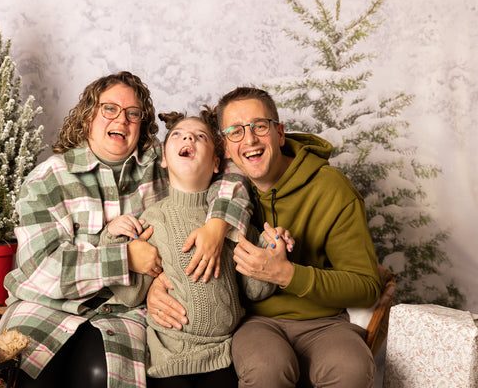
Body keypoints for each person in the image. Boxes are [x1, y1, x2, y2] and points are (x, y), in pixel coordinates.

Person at [0, 71, 252, 388]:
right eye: (110, 109)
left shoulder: (158, 163)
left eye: (133, 113)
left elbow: (232, 171)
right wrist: (125, 259)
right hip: (47, 305)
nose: (123, 119)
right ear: (89, 116)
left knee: (102, 375)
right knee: (27, 371)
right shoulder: (48, 179)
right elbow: (41, 268)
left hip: (124, 309)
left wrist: (216, 225)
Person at [147, 87, 382, 388]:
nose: (250, 140)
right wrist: (158, 282)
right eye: (235, 132)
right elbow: (176, 237)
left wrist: (287, 274)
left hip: (324, 323)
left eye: (259, 126)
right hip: (254, 322)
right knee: (266, 369)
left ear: (280, 133)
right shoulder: (219, 187)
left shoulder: (333, 190)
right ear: (225, 148)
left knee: (350, 367)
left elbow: (367, 287)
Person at [99, 110, 280, 388]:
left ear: (217, 162)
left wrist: (269, 249)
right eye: (178, 136)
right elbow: (132, 294)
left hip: (224, 353)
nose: (189, 138)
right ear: (163, 160)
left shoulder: (230, 218)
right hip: (170, 358)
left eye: (200, 137)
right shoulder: (151, 220)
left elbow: (255, 290)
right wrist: (111, 240)